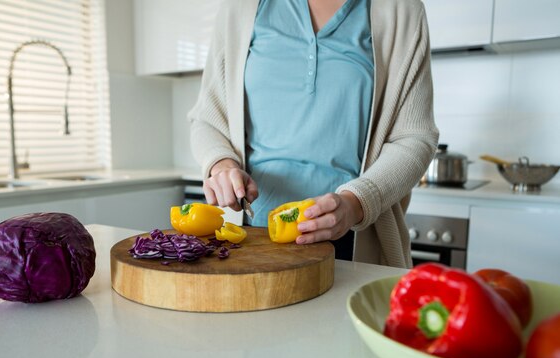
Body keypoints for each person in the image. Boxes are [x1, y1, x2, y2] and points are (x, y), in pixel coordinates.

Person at [187, 0, 439, 268]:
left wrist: (354, 204)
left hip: (352, 242)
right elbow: (207, 120)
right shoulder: (240, 8)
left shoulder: (401, 9)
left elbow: (414, 138)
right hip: (251, 237)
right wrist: (222, 164)